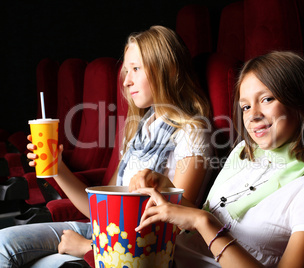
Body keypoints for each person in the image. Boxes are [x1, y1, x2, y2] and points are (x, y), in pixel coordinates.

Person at [0, 25, 213, 267]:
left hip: (138, 245)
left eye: (136, 69)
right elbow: (100, 210)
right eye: (126, 70)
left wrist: (87, 247)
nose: (126, 81)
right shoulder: (141, 126)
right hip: (105, 231)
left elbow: (177, 228)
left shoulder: (192, 131)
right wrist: (57, 168)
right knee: (2, 242)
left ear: (167, 70)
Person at [133, 51, 304, 267]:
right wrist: (168, 191)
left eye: (267, 99)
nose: (253, 116)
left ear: (300, 101)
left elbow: (203, 222)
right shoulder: (243, 152)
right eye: (246, 106)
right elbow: (203, 222)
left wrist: (203, 222)